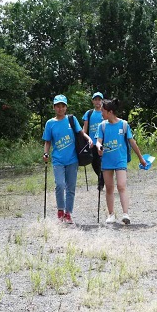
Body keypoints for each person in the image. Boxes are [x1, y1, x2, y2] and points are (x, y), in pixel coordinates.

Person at [95, 98, 147, 225]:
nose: (101, 113)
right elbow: (98, 141)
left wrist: (141, 158)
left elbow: (132, 142)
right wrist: (98, 147)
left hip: (120, 160)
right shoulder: (102, 126)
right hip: (107, 160)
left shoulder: (124, 125)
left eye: (103, 111)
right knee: (109, 188)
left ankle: (125, 214)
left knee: (121, 185)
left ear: (110, 112)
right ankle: (111, 214)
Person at [42, 94, 93, 224]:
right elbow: (47, 141)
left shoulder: (71, 119)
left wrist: (88, 139)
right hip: (58, 160)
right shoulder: (50, 123)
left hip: (72, 159)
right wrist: (46, 153)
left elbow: (80, 133)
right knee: (59, 185)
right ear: (54, 107)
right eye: (58, 106)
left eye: (62, 106)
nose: (60, 108)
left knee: (71, 187)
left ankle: (68, 213)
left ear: (66, 107)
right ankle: (60, 209)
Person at [82, 91, 105, 190]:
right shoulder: (89, 113)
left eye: (99, 100)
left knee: (102, 162)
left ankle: (101, 181)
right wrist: (83, 139)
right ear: (93, 101)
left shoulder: (105, 113)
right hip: (92, 143)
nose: (97, 102)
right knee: (94, 162)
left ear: (102, 101)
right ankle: (102, 178)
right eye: (95, 100)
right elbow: (85, 128)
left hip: (103, 142)